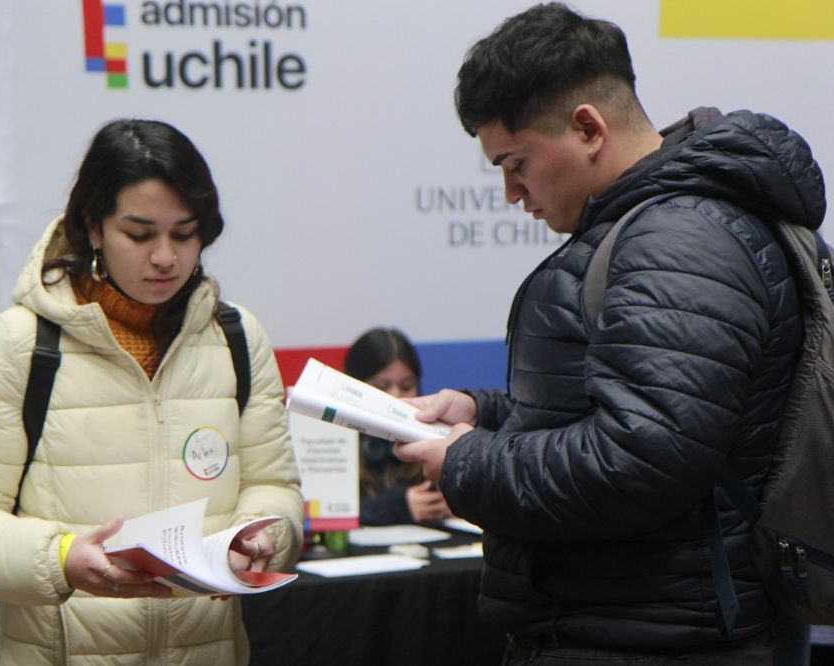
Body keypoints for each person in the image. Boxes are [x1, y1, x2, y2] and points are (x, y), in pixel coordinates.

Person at [394, 4, 826, 665]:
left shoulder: (680, 239)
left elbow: (640, 457)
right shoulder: (665, 225)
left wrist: (468, 462)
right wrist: (484, 412)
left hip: (664, 639)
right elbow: (646, 406)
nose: (513, 193)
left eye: (516, 163)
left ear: (588, 128)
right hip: (643, 627)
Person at [0, 118, 304, 665]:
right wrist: (61, 559)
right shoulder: (20, 345)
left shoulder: (236, 338)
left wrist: (259, 536)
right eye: (140, 234)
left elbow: (274, 486)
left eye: (185, 233)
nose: (166, 257)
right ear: (93, 227)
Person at [343, 328, 451, 525]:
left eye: (407, 386)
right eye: (381, 387)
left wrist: (458, 504)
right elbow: (321, 513)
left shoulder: (435, 442)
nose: (397, 398)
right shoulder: (330, 441)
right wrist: (396, 508)